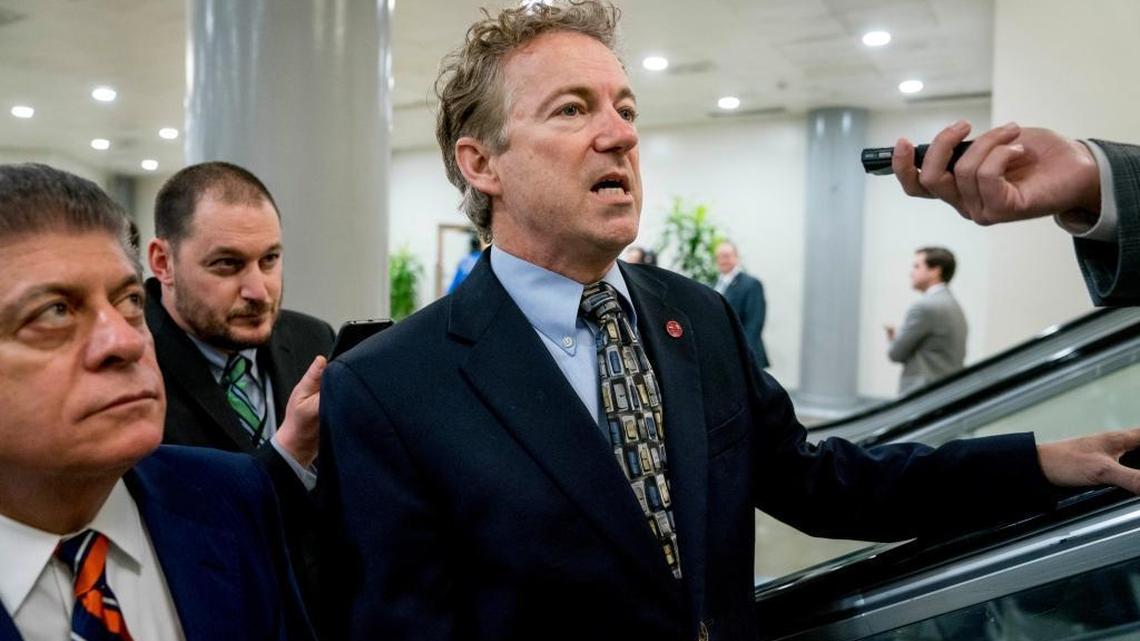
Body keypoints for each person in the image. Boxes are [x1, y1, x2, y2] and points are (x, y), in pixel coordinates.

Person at [318, 4, 1140, 640]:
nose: (619, 134)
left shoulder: (695, 317)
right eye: (572, 110)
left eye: (626, 107)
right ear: (480, 161)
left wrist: (1039, 461)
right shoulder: (393, 385)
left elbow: (819, 481)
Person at [0, 163, 314, 640]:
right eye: (55, 312)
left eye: (128, 302)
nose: (124, 342)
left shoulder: (229, 499)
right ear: (165, 265)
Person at [144, 161, 333, 609]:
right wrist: (289, 454)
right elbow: (181, 524)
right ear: (163, 262)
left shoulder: (312, 338)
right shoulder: (129, 364)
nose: (259, 290)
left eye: (269, 259)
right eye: (227, 265)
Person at [891, 121, 1139, 305]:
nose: (911, 271)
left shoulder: (928, 307)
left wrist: (1092, 179)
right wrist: (1093, 179)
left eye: (916, 265)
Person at [885, 246, 967, 394]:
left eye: (917, 266)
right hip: (945, 392)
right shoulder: (953, 304)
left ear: (935, 271)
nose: (911, 273)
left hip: (921, 393)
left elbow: (895, 354)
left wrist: (893, 339)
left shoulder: (924, 307)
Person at [714, 240, 770, 368]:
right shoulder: (713, 284)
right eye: (719, 256)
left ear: (736, 258)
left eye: (727, 256)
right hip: (722, 354)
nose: (723, 260)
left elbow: (754, 323)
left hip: (744, 355)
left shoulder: (751, 284)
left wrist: (743, 353)